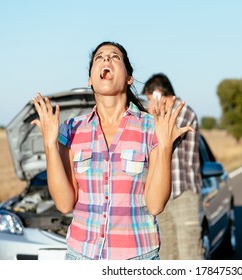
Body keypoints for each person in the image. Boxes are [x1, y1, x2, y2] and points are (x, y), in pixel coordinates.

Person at [31, 41, 193, 260]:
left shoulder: (151, 127)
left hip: (137, 257)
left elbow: (155, 205)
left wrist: (164, 147)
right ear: (90, 79)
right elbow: (64, 203)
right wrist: (50, 145)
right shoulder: (71, 130)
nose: (106, 59)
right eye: (99, 57)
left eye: (115, 57)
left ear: (129, 78)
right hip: (80, 255)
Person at [142, 73, 203, 259]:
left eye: (150, 99)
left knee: (189, 253)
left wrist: (154, 113)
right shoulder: (157, 116)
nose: (148, 104)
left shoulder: (185, 112)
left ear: (159, 94)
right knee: (166, 254)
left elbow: (169, 135)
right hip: (161, 197)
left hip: (183, 193)